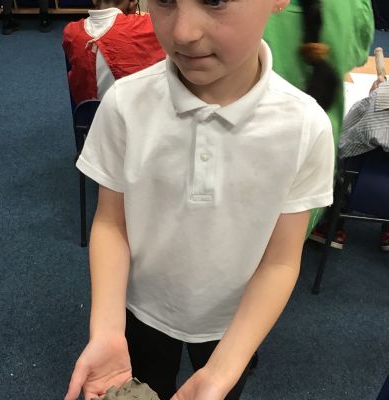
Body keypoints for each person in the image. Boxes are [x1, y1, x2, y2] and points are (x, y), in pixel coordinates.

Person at [64, 1, 335, 400]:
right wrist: (106, 328)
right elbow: (111, 222)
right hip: (141, 309)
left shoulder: (305, 127)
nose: (183, 33)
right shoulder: (125, 103)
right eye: (164, 0)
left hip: (234, 323)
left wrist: (224, 368)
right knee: (146, 378)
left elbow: (280, 260)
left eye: (214, 0)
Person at [263, 0, 374, 234]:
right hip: (314, 164)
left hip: (243, 156)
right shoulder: (354, 5)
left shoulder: (242, 9)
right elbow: (357, 54)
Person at [310, 77, 389, 251]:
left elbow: (345, 142)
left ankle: (333, 228)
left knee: (341, 160)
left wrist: (374, 94)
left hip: (362, 185)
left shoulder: (380, 97)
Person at [62, 0, 165, 105]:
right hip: (133, 110)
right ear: (133, 3)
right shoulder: (148, 26)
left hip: (88, 112)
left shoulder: (71, 32)